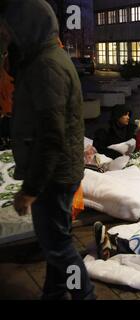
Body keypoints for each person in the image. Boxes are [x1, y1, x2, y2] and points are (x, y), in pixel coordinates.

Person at [1, 0, 95, 300]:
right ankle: (55, 292)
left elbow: (51, 136)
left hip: (53, 177)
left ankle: (85, 295)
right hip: (61, 172)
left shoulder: (46, 66)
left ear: (27, 26)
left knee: (58, 246)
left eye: (10, 28)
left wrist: (31, 188)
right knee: (58, 240)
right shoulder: (48, 58)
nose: (7, 34)